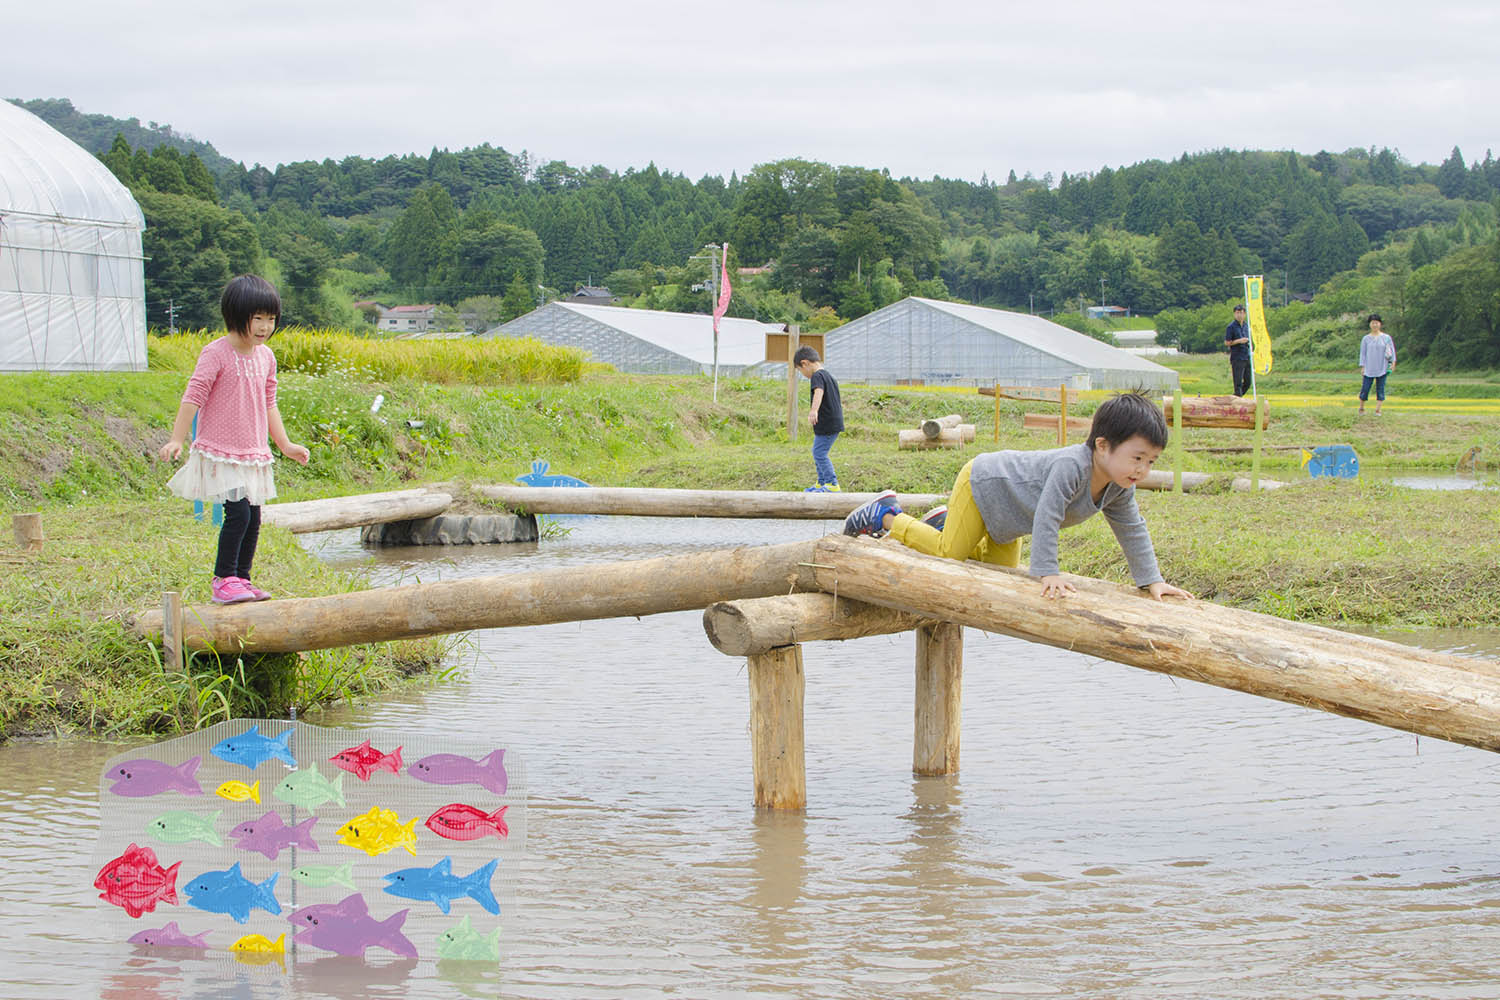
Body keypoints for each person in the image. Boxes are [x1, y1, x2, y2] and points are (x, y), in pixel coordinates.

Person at [842, 391, 1192, 602]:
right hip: (984, 482)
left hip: (1009, 516)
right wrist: (1047, 572)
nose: (1142, 470)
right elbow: (1048, 516)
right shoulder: (1072, 466)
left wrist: (1152, 580)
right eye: (1137, 458)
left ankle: (943, 523)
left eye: (1151, 462)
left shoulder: (1119, 487)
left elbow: (1132, 529)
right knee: (950, 554)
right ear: (1102, 446)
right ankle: (886, 514)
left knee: (999, 572)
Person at [158, 275, 310, 604]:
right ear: (236, 314)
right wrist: (177, 439)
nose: (265, 327)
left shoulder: (266, 357)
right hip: (222, 450)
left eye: (271, 319)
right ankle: (223, 578)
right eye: (258, 318)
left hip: (253, 451)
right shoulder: (216, 353)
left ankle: (242, 577)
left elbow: (269, 404)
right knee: (238, 514)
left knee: (253, 517)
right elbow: (193, 395)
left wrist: (285, 445)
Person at [794, 345, 843, 492]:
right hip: (831, 422)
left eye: (800, 370)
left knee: (819, 453)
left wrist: (814, 410)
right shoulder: (828, 376)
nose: (803, 374)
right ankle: (821, 483)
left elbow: (819, 391)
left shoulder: (817, 376)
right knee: (817, 451)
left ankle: (832, 483)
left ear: (805, 363)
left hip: (827, 423)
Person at [1357, 314, 1396, 415]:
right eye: (1372, 323)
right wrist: (1363, 366)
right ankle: (1361, 408)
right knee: (1365, 388)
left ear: (1380, 324)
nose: (1375, 325)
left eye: (1376, 323)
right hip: (1369, 368)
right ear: (1370, 324)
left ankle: (1378, 410)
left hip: (1382, 367)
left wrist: (1393, 363)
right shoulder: (1366, 339)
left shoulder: (1386, 338)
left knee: (1381, 388)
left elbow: (1392, 351)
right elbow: (1363, 353)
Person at [1225, 304, 1252, 397]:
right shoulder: (1231, 327)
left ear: (1244, 314)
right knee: (1238, 383)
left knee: (1248, 382)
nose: (1239, 315)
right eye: (1237, 313)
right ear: (1234, 314)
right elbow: (1227, 342)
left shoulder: (1246, 326)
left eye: (1241, 313)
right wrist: (1239, 341)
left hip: (1246, 356)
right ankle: (1237, 399)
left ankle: (1235, 398)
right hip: (1237, 357)